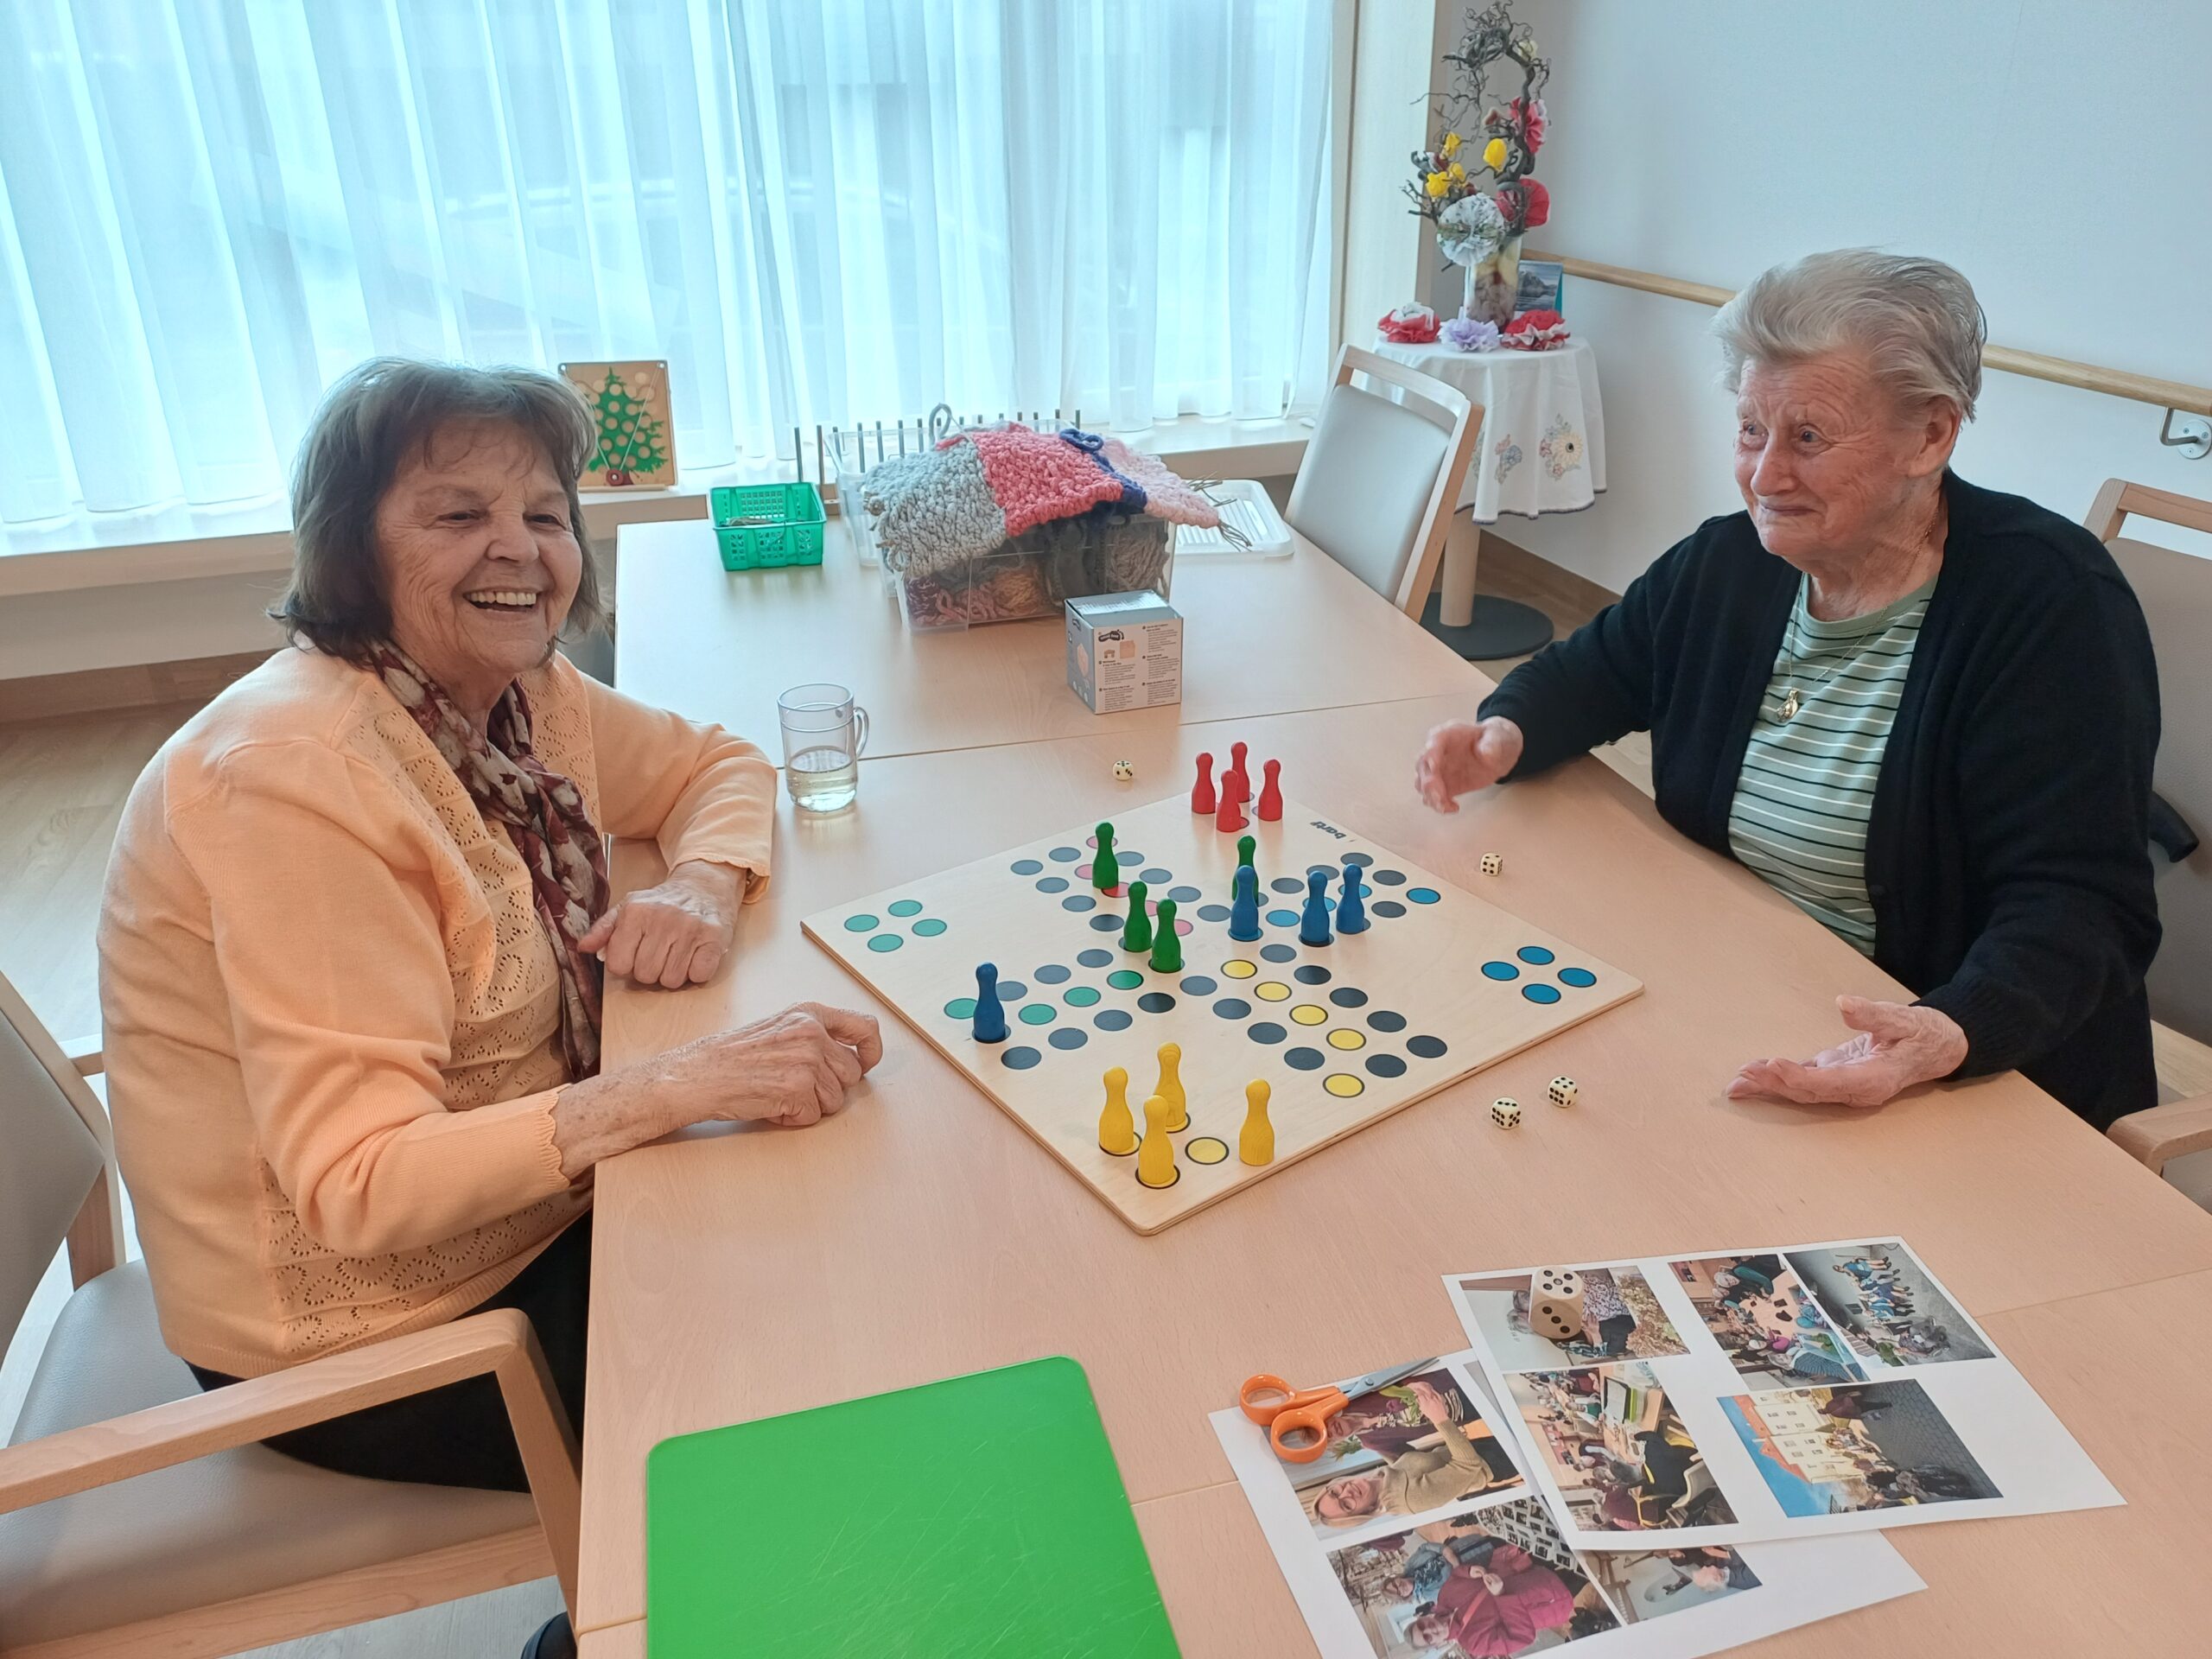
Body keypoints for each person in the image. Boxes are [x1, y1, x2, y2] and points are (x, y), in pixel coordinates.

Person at [99, 359, 883, 1659]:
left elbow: (716, 764)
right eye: (458, 514)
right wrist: (675, 1085)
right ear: (353, 548)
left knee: (839, 1250)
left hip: (528, 1220)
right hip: (369, 1341)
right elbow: (359, 1183)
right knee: (817, 1398)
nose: (518, 548)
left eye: (543, 513)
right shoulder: (296, 777)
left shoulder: (514, 698)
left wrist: (697, 883)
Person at [1413, 250, 2159, 1128]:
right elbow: (1601, 668)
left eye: (1808, 438)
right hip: (1739, 989)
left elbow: (2081, 907)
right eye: (1750, 431)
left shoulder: (2050, 604)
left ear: (1930, 436)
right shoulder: (1731, 560)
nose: (1765, 476)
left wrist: (1948, 1030)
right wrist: (1506, 732)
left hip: (1962, 1072)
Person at [1309, 1380, 1516, 1525]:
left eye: (1335, 1492)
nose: (1346, 1493)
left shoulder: (1381, 1477)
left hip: (1477, 1445)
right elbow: (1468, 1466)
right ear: (1361, 1514)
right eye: (1346, 1505)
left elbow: (1407, 1463)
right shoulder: (1411, 1501)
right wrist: (1440, 1420)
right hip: (1494, 1462)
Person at [1406, 1545, 1576, 1655]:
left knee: (1574, 1552)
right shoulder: (1474, 1643)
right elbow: (1522, 1636)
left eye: (1421, 1626)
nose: (1429, 1630)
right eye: (1427, 1638)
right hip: (1552, 1599)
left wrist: (1469, 1571)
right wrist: (1501, 1595)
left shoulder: (1444, 1597)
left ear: (1421, 1619)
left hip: (1533, 1572)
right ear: (1436, 1645)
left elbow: (1456, 1575)